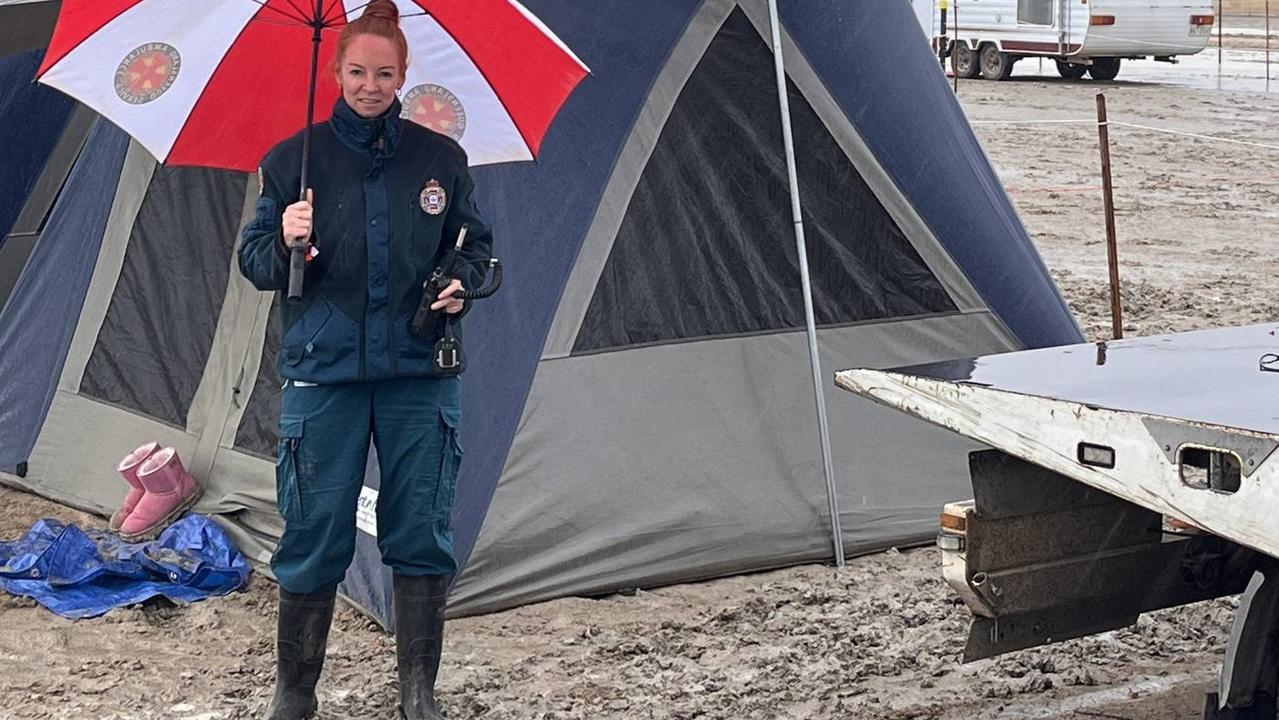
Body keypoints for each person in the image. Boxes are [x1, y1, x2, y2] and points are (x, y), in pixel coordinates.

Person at [237, 2, 491, 718]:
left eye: (384, 72)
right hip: (324, 377)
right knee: (315, 531)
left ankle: (417, 693)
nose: (370, 84)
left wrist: (459, 286)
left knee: (420, 532)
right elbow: (255, 263)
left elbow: (477, 250)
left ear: (404, 75)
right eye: (357, 71)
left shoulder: (439, 159)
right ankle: (294, 695)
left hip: (418, 375)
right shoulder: (294, 160)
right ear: (336, 71)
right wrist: (290, 237)